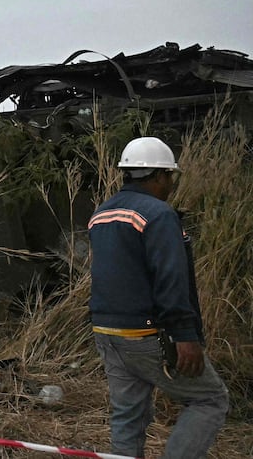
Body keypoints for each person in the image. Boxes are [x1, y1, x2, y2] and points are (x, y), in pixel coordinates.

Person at [89, 137, 228, 458]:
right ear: (157, 176)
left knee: (127, 416)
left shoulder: (102, 213)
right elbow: (170, 279)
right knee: (209, 399)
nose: (171, 185)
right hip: (148, 334)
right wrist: (185, 335)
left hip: (107, 332)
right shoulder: (159, 214)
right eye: (170, 177)